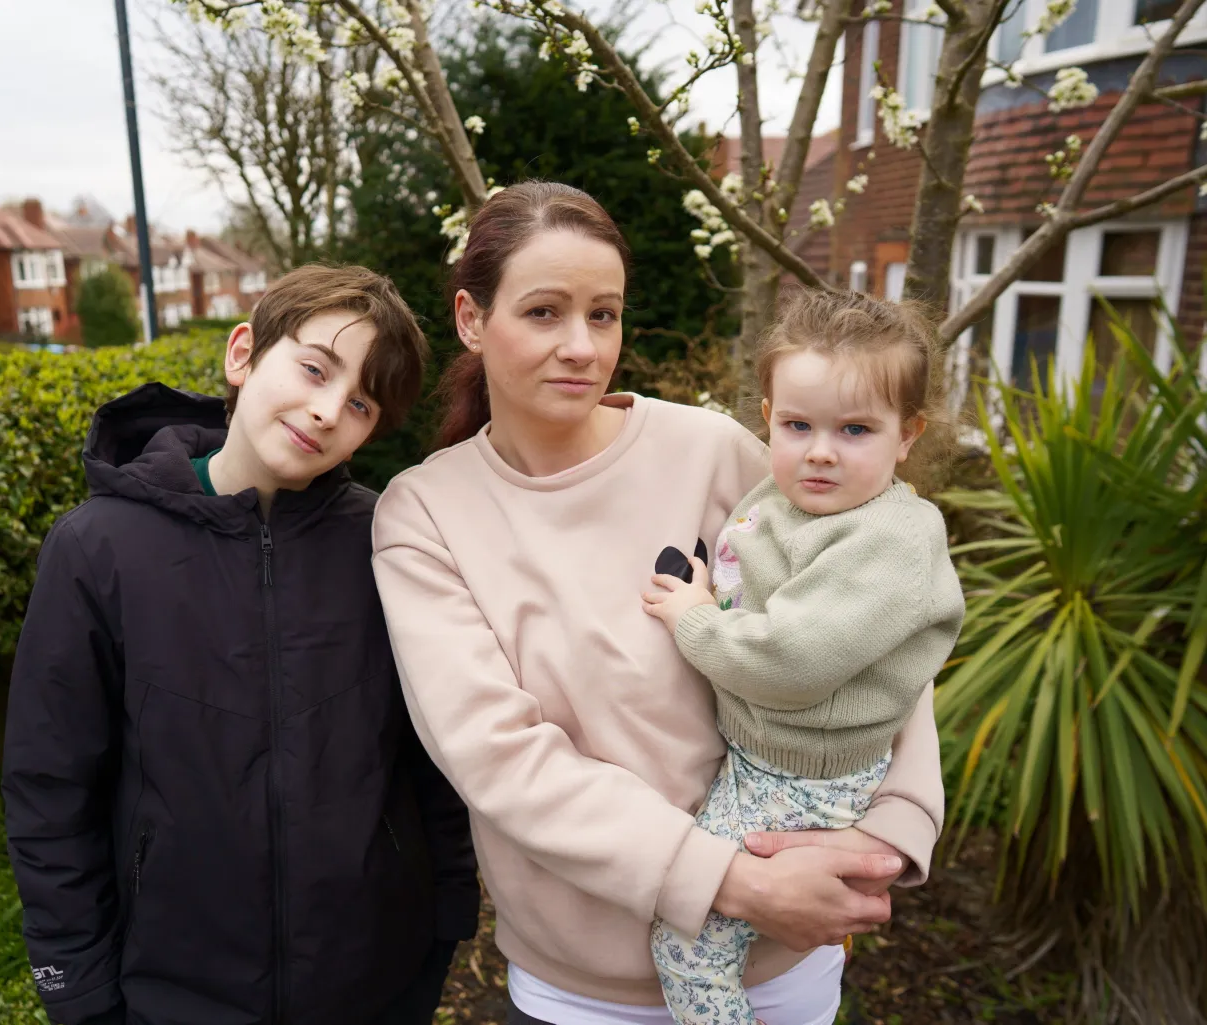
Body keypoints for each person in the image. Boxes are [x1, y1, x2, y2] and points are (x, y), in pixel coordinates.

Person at [371, 181, 945, 1025]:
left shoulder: (713, 451)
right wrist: (731, 882)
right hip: (584, 993)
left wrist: (894, 829)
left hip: (783, 967)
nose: (580, 345)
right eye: (543, 312)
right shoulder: (424, 515)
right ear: (469, 318)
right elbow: (502, 758)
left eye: (603, 314)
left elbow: (866, 627)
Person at [2, 264, 478, 1025]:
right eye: (314, 369)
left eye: (360, 403)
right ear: (243, 353)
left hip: (375, 979)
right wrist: (77, 986)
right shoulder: (98, 548)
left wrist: (447, 916)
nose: (327, 410)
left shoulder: (390, 541)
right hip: (173, 990)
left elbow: (429, 753)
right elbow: (49, 789)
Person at [640, 291, 965, 1025]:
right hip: (765, 761)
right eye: (797, 425)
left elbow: (793, 660)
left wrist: (695, 621)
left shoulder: (890, 539)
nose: (820, 449)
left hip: (799, 780)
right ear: (768, 417)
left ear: (907, 435)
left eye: (855, 429)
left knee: (687, 944)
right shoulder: (791, 497)